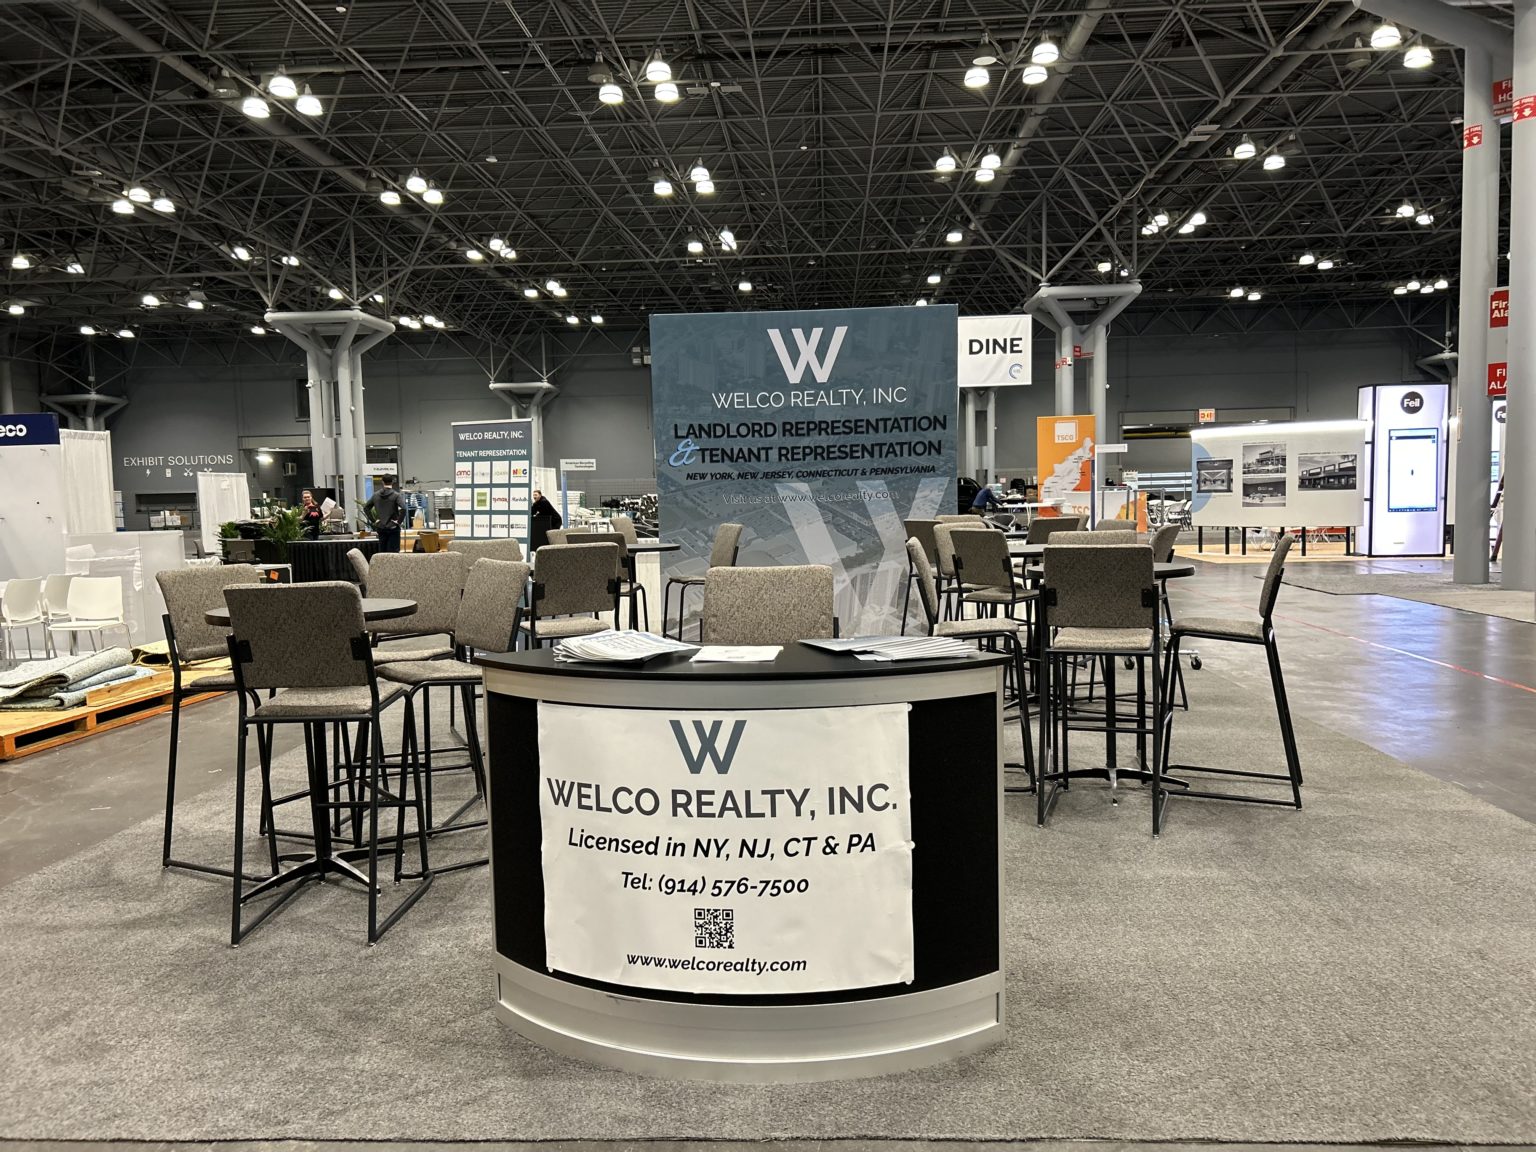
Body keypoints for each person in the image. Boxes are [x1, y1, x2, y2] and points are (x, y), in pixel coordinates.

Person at [365, 475, 408, 553]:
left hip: (381, 527)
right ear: (392, 482)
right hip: (393, 527)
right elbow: (404, 508)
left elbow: (366, 508)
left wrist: (374, 520)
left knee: (382, 552)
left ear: (382, 482)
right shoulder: (396, 495)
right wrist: (399, 521)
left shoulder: (376, 495)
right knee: (393, 553)